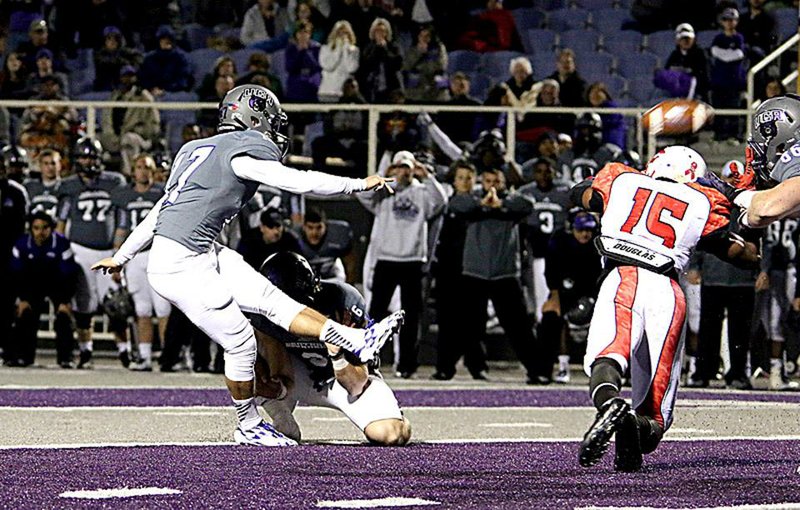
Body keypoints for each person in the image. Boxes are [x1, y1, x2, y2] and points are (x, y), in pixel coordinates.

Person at [91, 84, 404, 447]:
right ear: (253, 119)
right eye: (269, 121)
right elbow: (295, 181)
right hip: (179, 264)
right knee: (240, 341)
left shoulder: (195, 149)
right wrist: (356, 184)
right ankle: (247, 423)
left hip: (200, 249)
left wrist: (124, 254)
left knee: (272, 300)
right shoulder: (240, 155)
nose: (274, 129)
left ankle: (352, 338)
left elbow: (163, 208)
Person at [571, 146, 760, 473]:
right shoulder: (702, 200)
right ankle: (634, 426)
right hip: (668, 292)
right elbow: (743, 255)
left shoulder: (622, 179)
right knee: (655, 421)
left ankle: (611, 404)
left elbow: (579, 195)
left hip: (623, 276)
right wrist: (737, 201)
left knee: (608, 358)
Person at [251, 251, 411, 444]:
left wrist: (337, 352)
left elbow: (356, 385)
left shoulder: (343, 301)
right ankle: (279, 419)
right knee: (243, 358)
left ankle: (397, 416)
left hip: (343, 377)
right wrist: (277, 395)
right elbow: (278, 370)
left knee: (390, 434)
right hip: (297, 373)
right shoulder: (260, 311)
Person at [357, 151, 447, 378]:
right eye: (399, 167)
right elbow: (362, 196)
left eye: (407, 167)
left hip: (413, 262)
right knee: (375, 313)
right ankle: (366, 358)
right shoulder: (384, 192)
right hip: (387, 260)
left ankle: (407, 365)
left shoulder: (422, 192)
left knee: (411, 317)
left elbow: (441, 201)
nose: (403, 171)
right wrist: (381, 176)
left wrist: (427, 177)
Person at [449, 167, 539, 383]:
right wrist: (482, 205)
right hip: (475, 272)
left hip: (505, 273)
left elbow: (528, 204)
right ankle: (477, 368)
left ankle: (536, 370)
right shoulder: (473, 201)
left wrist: (501, 205)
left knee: (518, 326)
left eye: (496, 181)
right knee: (472, 326)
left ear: (503, 183)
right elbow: (456, 205)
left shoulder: (512, 202)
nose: (492, 185)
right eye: (488, 180)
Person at [57, 137, 128, 369]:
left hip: (107, 250)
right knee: (83, 305)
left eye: (92, 156)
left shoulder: (114, 182)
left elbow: (121, 221)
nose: (88, 161)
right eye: (84, 157)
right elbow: (61, 222)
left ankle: (124, 351)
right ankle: (85, 351)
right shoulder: (69, 186)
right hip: (79, 249)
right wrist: (62, 252)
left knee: (115, 305)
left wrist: (118, 252)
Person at [111, 155, 170, 371]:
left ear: (154, 171)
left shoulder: (163, 193)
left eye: (147, 167)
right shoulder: (125, 196)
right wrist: (117, 258)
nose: (142, 172)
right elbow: (121, 228)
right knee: (142, 309)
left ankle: (167, 356)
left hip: (158, 254)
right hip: (136, 258)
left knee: (164, 309)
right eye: (138, 167)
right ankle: (144, 356)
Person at [538, 211, 602, 383]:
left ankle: (601, 372)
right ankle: (548, 369)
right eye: (580, 230)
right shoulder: (559, 242)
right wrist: (554, 296)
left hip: (594, 293)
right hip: (566, 292)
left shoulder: (600, 245)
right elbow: (551, 271)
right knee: (550, 317)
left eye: (588, 230)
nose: (585, 234)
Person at [8, 211, 77, 368]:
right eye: (36, 228)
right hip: (31, 283)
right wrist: (22, 299)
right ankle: (23, 357)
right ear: (31, 229)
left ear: (51, 228)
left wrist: (65, 301)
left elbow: (70, 275)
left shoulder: (61, 243)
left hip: (57, 282)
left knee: (63, 316)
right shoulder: (21, 244)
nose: (40, 232)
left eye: (45, 228)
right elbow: (16, 274)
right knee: (25, 314)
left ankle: (66, 358)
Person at [518, 158, 572, 325]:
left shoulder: (565, 191)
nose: (543, 175)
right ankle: (538, 319)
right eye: (539, 171)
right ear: (534, 174)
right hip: (536, 248)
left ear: (554, 173)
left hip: (559, 249)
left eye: (547, 171)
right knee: (536, 288)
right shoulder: (525, 192)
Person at [0, 151, 29, 365]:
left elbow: (23, 227)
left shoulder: (16, 192)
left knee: (7, 304)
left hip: (9, 255)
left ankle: (9, 350)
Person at [297, 207, 354, 281]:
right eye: (310, 227)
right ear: (304, 227)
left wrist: (350, 286)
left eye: (319, 227)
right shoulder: (294, 237)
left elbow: (350, 259)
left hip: (331, 276)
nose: (314, 233)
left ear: (325, 226)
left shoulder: (338, 235)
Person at [357, 17, 404, 103]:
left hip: (391, 89)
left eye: (383, 31)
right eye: (377, 31)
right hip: (372, 88)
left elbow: (397, 65)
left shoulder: (394, 47)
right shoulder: (368, 48)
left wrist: (385, 48)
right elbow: (365, 65)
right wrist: (376, 48)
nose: (380, 33)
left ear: (387, 33)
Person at [663, 23, 710, 101]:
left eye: (688, 38)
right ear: (677, 40)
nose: (686, 41)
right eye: (683, 38)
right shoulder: (675, 55)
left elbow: (704, 78)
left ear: (693, 39)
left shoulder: (700, 54)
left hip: (697, 95)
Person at [402, 24, 448, 103]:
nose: (424, 38)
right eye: (421, 35)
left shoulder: (439, 48)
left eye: (427, 36)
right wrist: (419, 52)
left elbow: (442, 66)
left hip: (434, 83)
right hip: (417, 84)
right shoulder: (412, 50)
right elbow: (406, 67)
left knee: (441, 78)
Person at [318, 20, 360, 103]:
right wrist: (338, 50)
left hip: (344, 93)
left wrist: (345, 49)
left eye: (345, 33)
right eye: (339, 33)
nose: (342, 36)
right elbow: (328, 66)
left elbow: (351, 68)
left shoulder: (354, 50)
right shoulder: (325, 49)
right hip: (327, 91)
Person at [25, 148, 62, 220]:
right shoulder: (29, 187)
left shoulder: (66, 186)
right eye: (46, 163)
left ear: (59, 165)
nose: (50, 167)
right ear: (40, 166)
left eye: (53, 163)